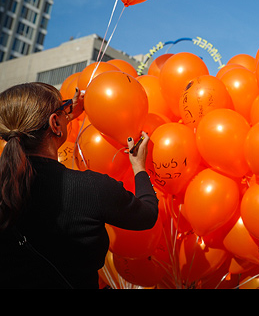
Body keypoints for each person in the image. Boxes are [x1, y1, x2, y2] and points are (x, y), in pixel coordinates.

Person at [0, 82, 158, 289]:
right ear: (55, 123)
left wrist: (62, 116)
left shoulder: (6, 188)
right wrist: (139, 168)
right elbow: (146, 215)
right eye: (63, 110)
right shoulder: (89, 188)